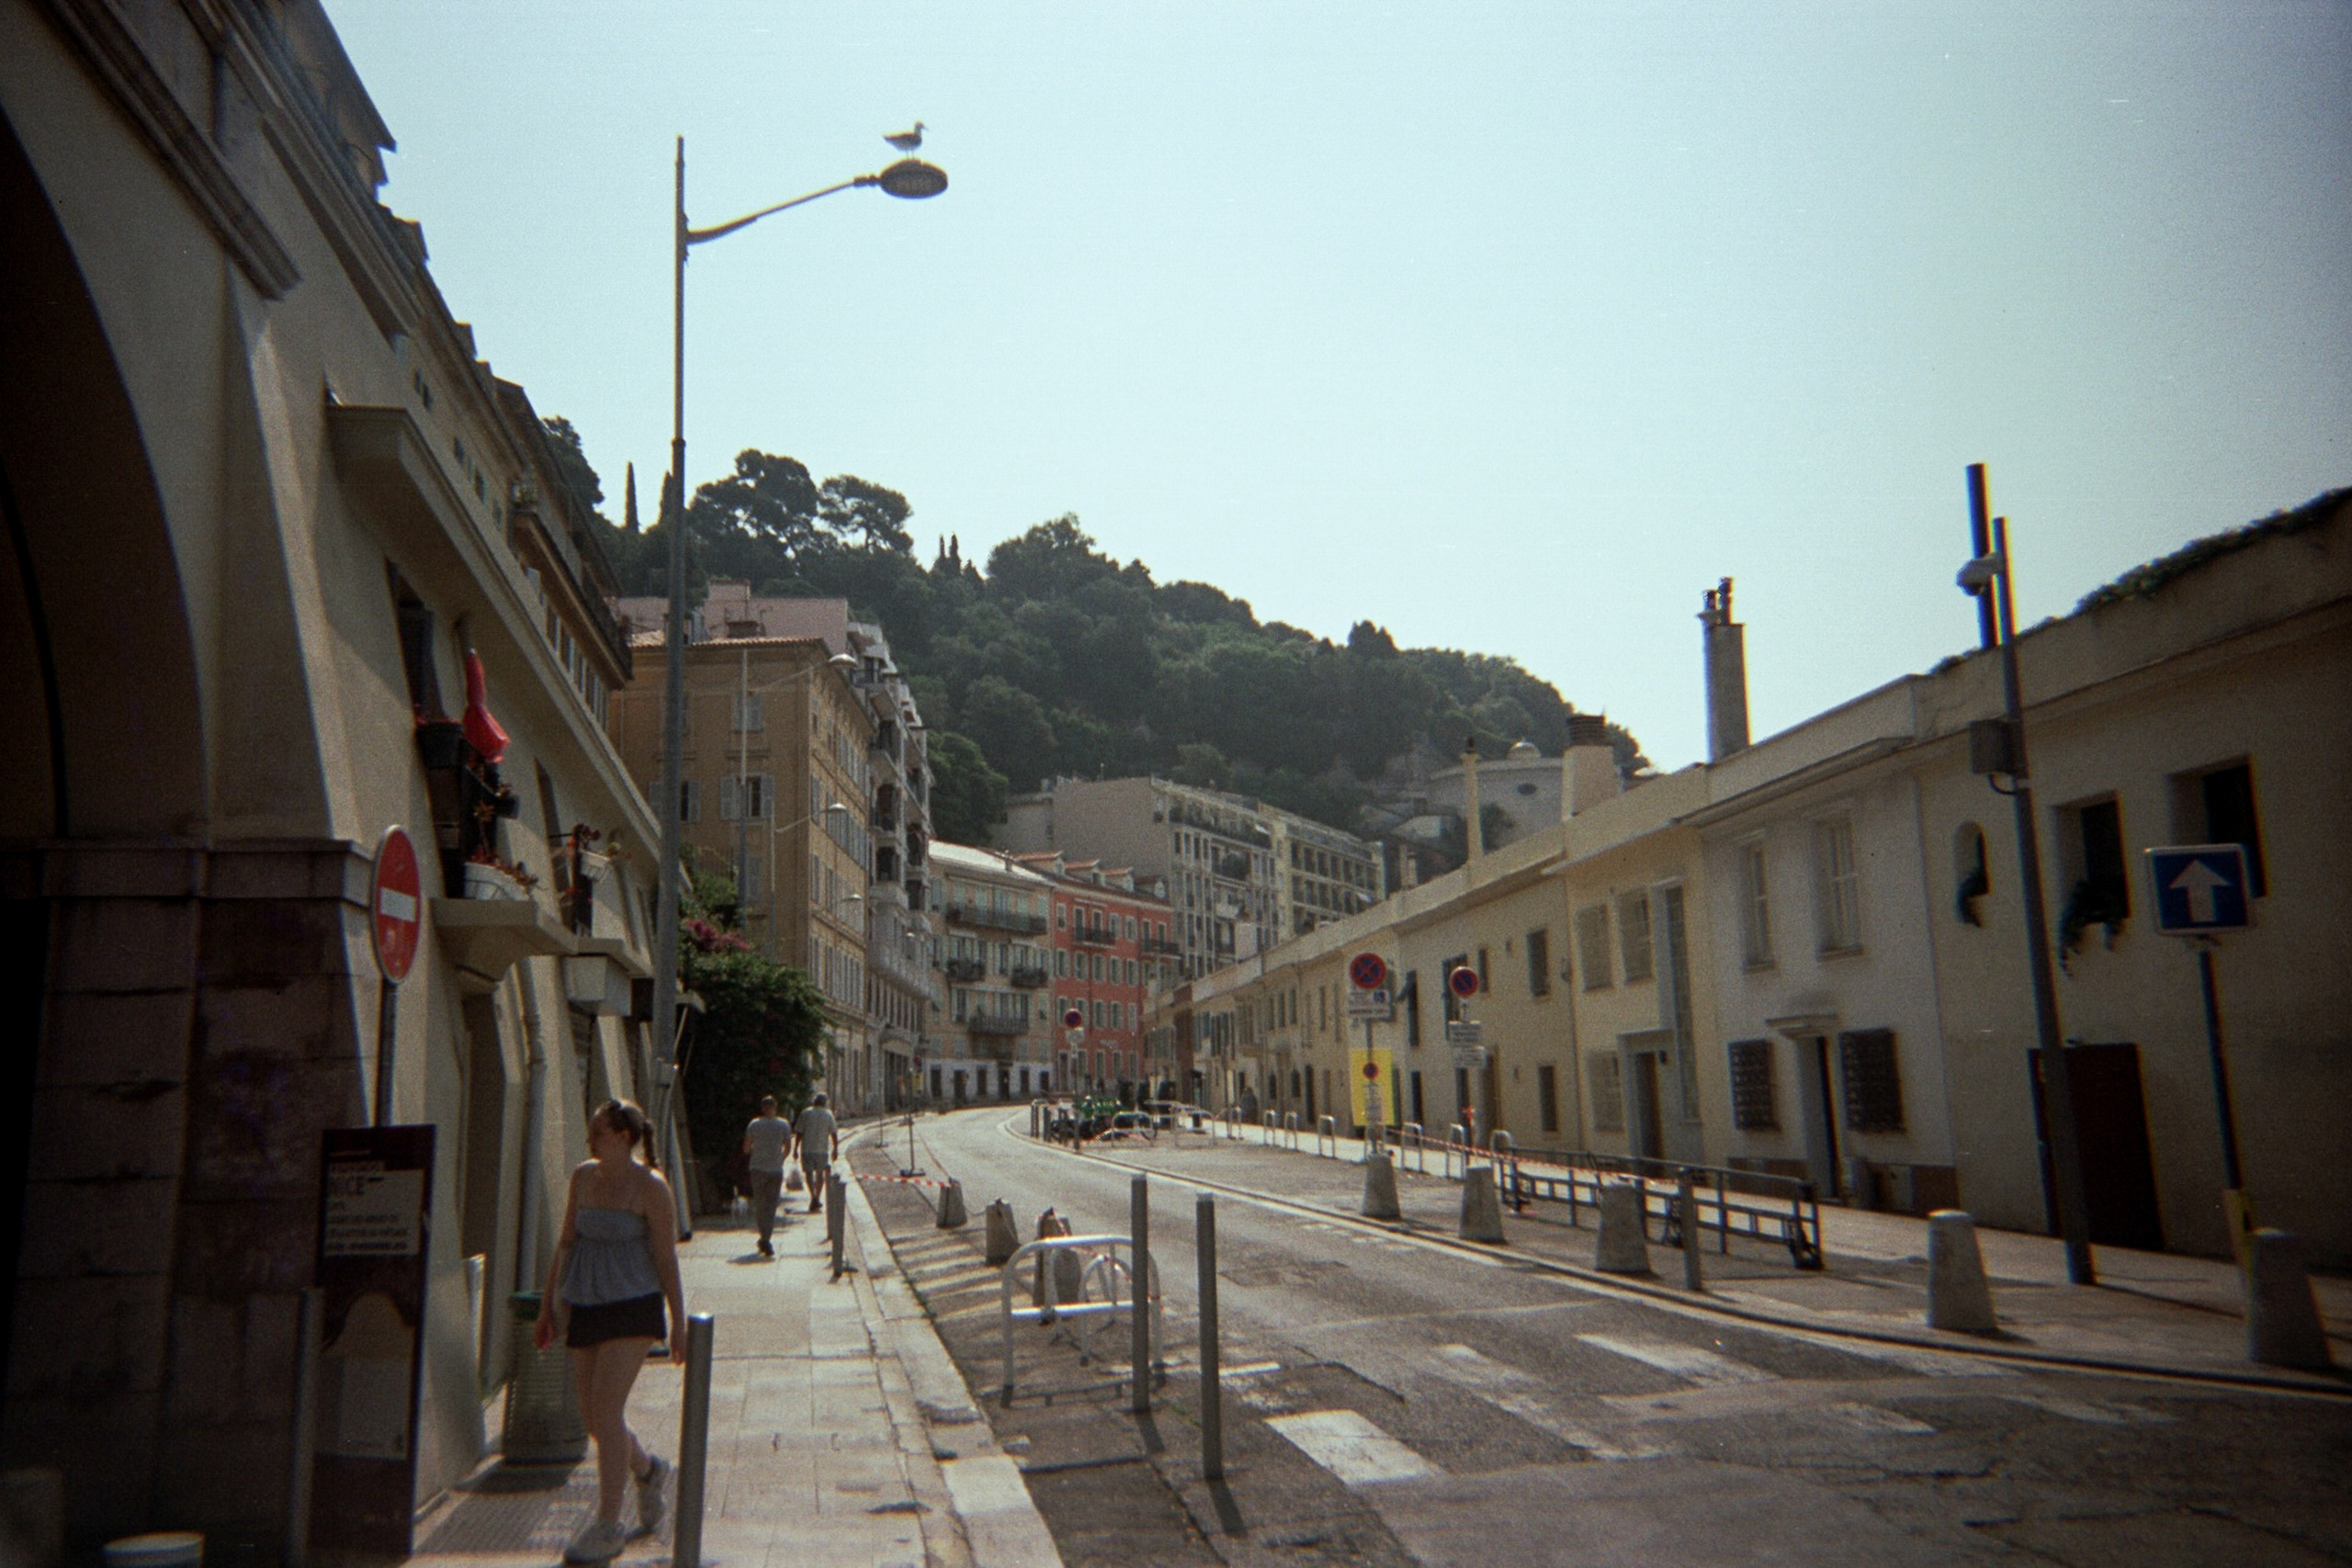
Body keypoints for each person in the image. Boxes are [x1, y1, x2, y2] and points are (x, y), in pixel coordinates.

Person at [534, 1100, 686, 1562]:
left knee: (607, 1408)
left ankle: (607, 1524)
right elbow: (565, 1244)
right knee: (594, 1418)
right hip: (586, 1303)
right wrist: (547, 1307)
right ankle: (648, 1470)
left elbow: (666, 1258)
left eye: (599, 1132)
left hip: (634, 1307)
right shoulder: (583, 1177)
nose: (591, 1139)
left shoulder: (650, 1187)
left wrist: (679, 1322)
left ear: (623, 1137)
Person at [741, 1094, 791, 1257]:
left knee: (760, 1204)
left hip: (758, 1169)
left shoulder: (754, 1124)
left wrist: (754, 1152)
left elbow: (746, 1148)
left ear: (762, 1108)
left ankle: (764, 1237)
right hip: (775, 1170)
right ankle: (766, 1238)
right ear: (775, 1107)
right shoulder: (783, 1124)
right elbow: (788, 1147)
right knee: (771, 1206)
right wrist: (780, 1159)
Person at [793, 1090, 839, 1214]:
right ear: (825, 1103)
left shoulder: (805, 1113)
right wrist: (835, 1149)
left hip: (807, 1149)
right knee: (820, 1175)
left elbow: (799, 1132)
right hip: (822, 1150)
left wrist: (795, 1149)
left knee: (808, 1174)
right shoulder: (828, 1114)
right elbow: (833, 1133)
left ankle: (813, 1196)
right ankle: (817, 1197)